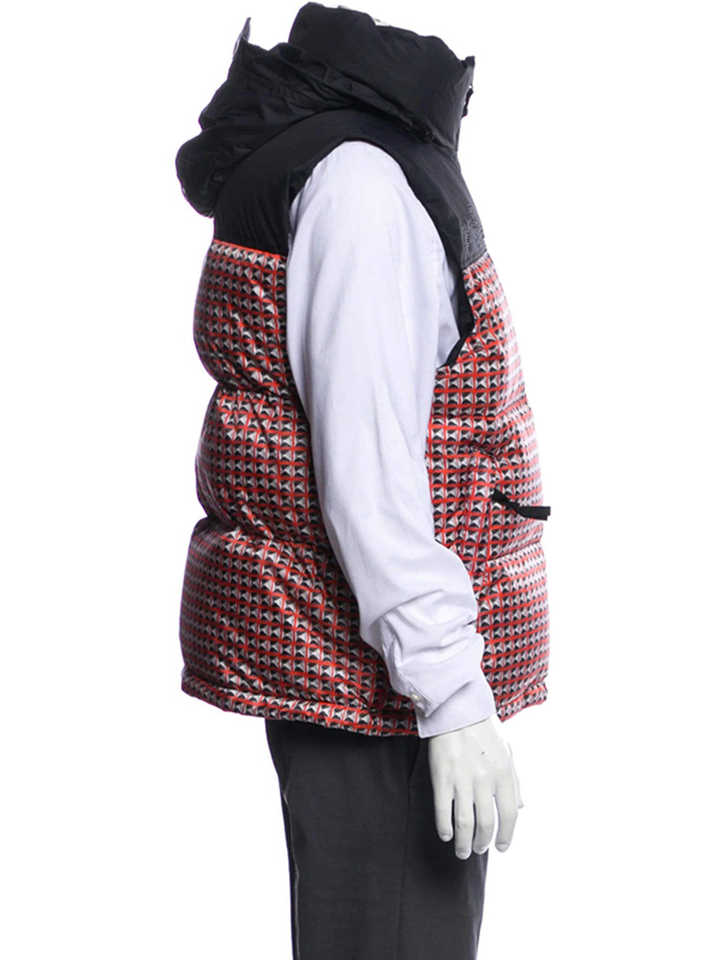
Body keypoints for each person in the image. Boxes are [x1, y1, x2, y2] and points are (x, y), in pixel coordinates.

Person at [175, 5, 551, 958]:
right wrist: (451, 695)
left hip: (364, 677)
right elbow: (367, 473)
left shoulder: (355, 159)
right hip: (382, 693)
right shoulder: (362, 182)